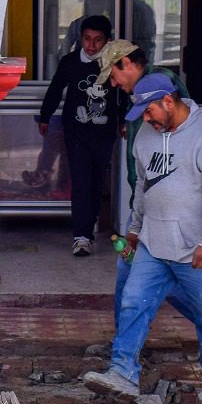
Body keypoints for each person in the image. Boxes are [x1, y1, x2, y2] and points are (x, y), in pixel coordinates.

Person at [82, 73, 202, 404]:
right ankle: (122, 372)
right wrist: (134, 229)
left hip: (194, 247)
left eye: (149, 111)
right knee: (133, 303)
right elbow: (142, 188)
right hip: (152, 242)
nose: (146, 119)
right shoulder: (146, 138)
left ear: (169, 101)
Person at [92, 39, 196, 330]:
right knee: (145, 270)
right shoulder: (141, 95)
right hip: (146, 204)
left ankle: (122, 348)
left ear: (126, 63)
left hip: (159, 204)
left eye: (113, 76)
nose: (113, 84)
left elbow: (182, 131)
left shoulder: (159, 84)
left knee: (130, 269)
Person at [38, 14, 125, 256]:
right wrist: (45, 116)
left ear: (107, 41)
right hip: (76, 133)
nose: (91, 45)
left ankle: (90, 222)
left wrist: (124, 120)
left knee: (97, 182)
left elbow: (125, 93)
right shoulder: (69, 62)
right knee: (81, 182)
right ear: (80, 38)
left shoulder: (112, 63)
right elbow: (55, 89)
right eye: (87, 39)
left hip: (105, 133)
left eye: (97, 40)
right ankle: (81, 236)